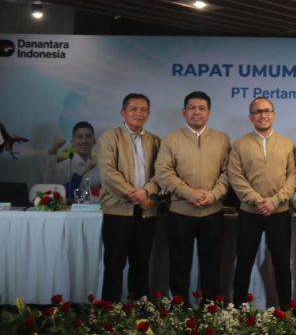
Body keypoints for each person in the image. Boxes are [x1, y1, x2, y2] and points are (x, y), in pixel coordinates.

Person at [155, 91, 231, 301]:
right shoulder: (171, 140)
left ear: (209, 112)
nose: (197, 112)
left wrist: (214, 194)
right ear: (184, 111)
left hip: (212, 212)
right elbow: (163, 173)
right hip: (181, 213)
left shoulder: (222, 139)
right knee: (179, 265)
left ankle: (210, 309)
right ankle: (179, 309)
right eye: (192, 108)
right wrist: (189, 193)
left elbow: (228, 172)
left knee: (211, 264)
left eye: (201, 108)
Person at [229, 97, 296, 308]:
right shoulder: (240, 144)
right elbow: (236, 177)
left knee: (281, 263)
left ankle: (285, 309)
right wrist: (258, 200)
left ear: (274, 115)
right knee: (244, 261)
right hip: (250, 213)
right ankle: (238, 309)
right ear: (250, 117)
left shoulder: (287, 144)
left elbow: (293, 177)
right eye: (257, 112)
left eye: (267, 111)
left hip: (279, 212)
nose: (263, 115)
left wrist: (275, 201)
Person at [98, 93, 161, 301]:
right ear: (123, 112)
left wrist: (147, 190)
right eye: (133, 109)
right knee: (114, 266)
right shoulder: (110, 137)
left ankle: (139, 312)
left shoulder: (155, 141)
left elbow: (162, 174)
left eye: (143, 110)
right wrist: (138, 197)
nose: (138, 113)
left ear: (148, 114)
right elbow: (108, 173)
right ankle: (109, 312)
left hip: (146, 213)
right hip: (117, 211)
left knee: (141, 265)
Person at [42, 121, 100, 200]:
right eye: (79, 137)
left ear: (94, 141)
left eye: (88, 136)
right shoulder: (64, 166)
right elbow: (50, 189)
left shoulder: (102, 166)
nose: (84, 141)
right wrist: (53, 151)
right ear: (72, 142)